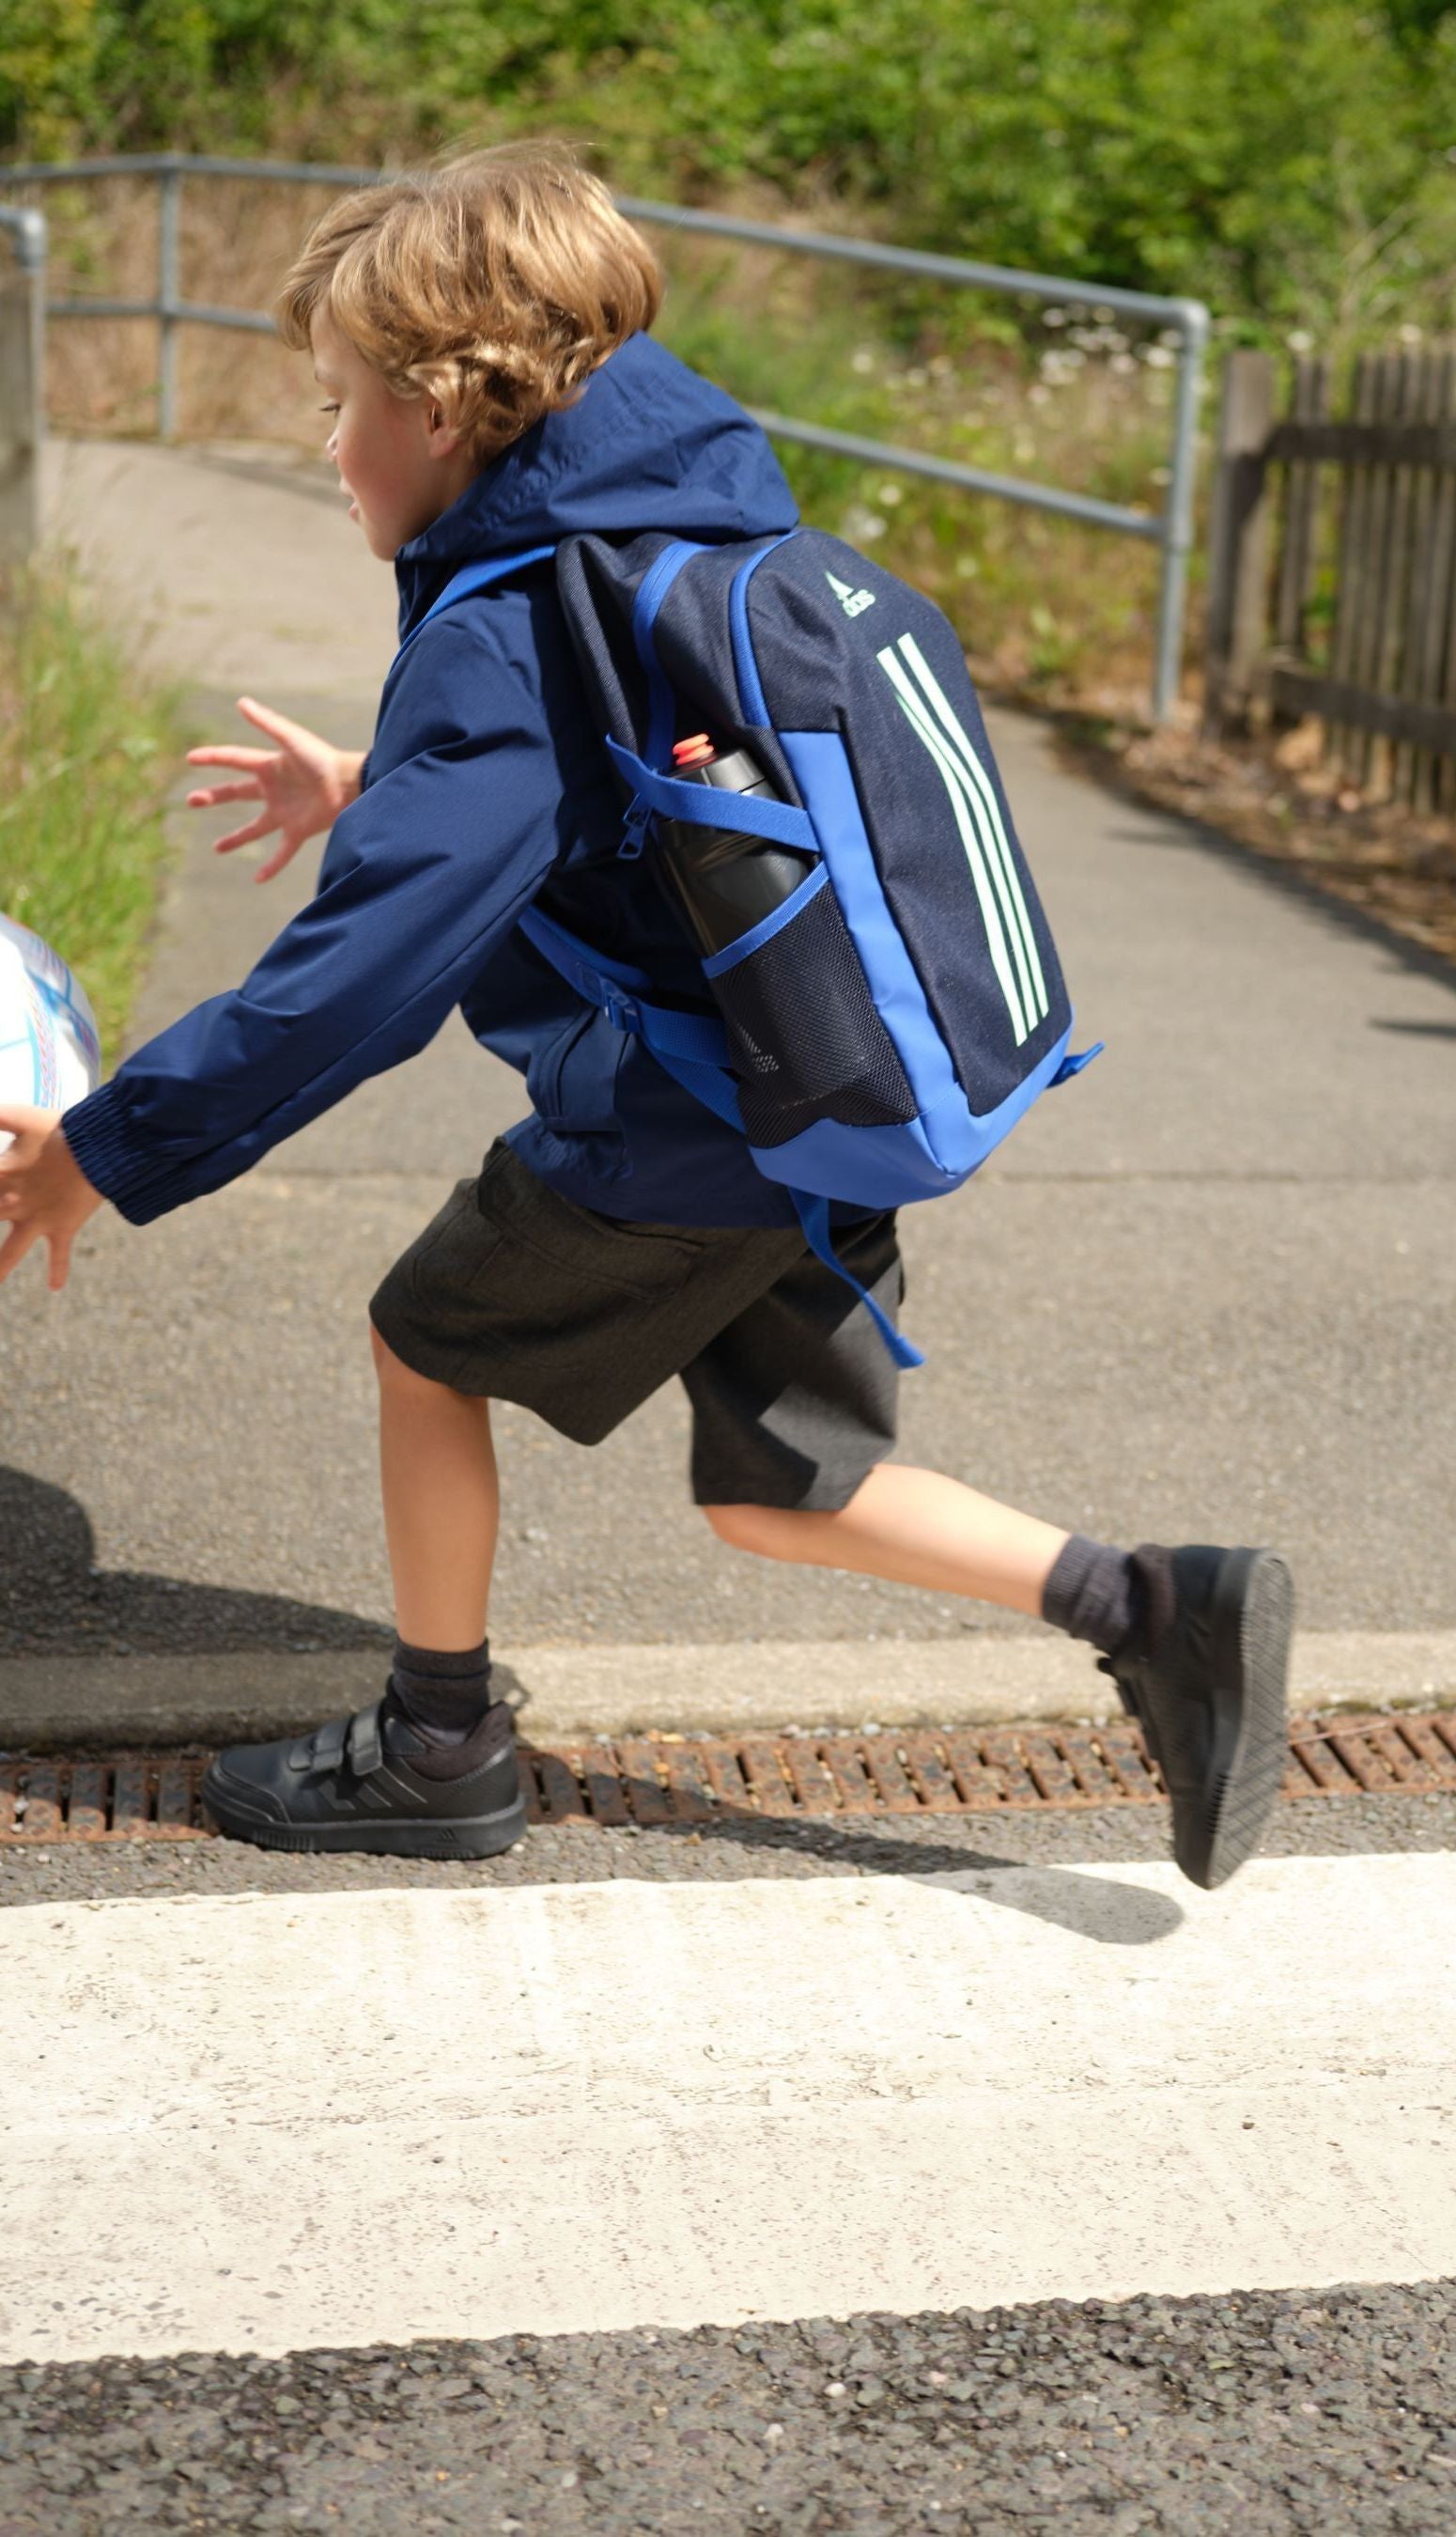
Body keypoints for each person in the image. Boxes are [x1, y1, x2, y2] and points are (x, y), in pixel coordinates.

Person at [0, 140, 1293, 1889]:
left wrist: (103, 1149)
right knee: (777, 1483)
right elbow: (627, 783)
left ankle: (440, 1746)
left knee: (423, 1339)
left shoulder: (509, 611)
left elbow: (359, 987)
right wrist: (386, 783)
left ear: (449, 409)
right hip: (817, 1081)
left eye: (341, 401)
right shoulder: (686, 515)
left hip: (691, 1121)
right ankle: (1155, 1606)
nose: (327, 445)